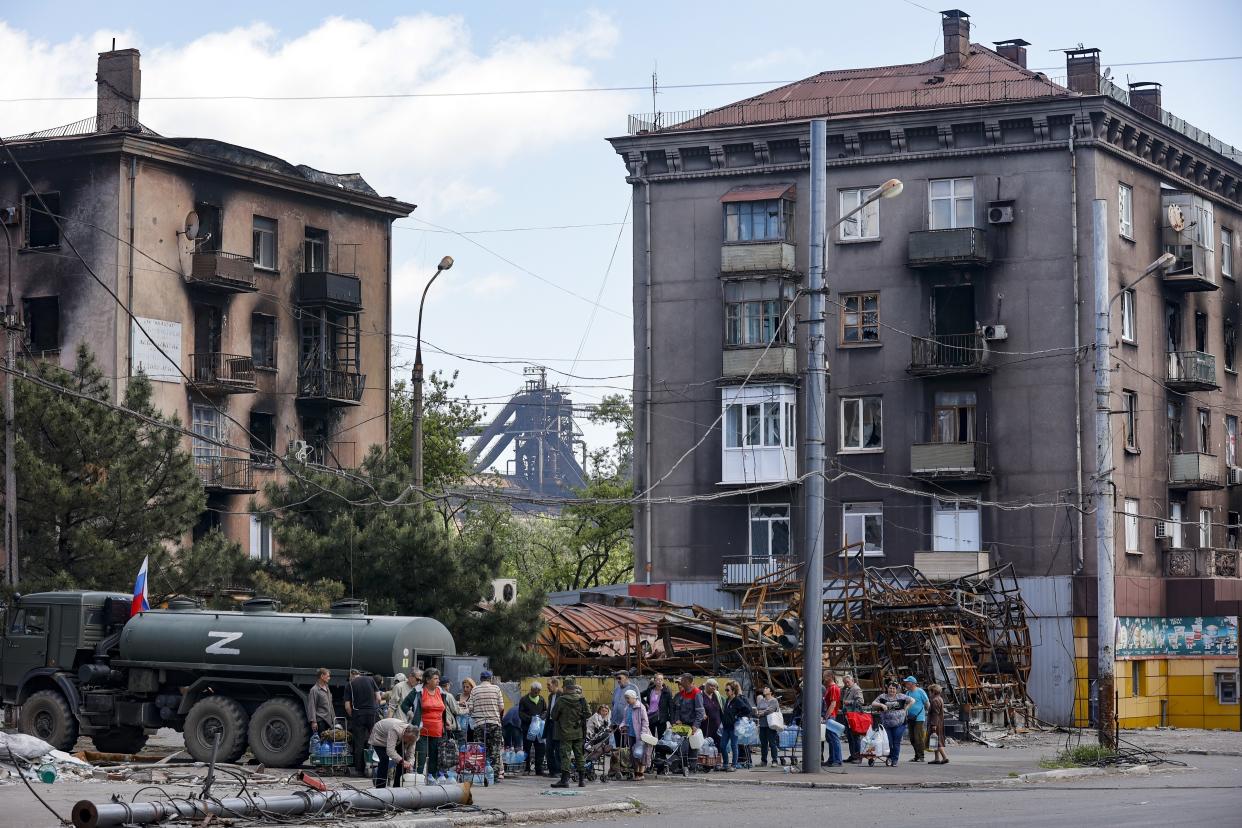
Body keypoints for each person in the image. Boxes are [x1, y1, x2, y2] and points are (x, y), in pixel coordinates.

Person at [401, 667, 451, 778]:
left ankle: (431, 777)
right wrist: (411, 714)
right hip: (421, 730)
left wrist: (445, 720)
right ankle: (418, 777)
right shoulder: (418, 691)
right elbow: (404, 705)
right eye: (435, 678)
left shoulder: (441, 692)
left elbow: (442, 709)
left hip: (438, 729)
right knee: (421, 755)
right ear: (427, 680)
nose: (438, 681)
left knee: (435, 755)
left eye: (438, 678)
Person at [549, 677, 590, 788]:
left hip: (565, 732)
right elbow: (588, 713)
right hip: (578, 732)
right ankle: (581, 780)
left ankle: (565, 780)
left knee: (565, 756)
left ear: (566, 688)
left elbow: (553, 715)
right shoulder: (581, 699)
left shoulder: (562, 700)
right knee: (579, 755)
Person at [468, 670, 506, 782]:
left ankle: (479, 775)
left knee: (479, 750)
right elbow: (501, 707)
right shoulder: (496, 689)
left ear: (480, 679)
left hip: (479, 724)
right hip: (494, 723)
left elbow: (470, 708)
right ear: (490, 679)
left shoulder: (475, 690)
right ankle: (493, 776)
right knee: (494, 750)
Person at [345, 669, 381, 778]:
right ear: (359, 674)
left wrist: (354, 715)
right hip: (371, 714)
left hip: (358, 715)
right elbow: (378, 697)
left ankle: (359, 770)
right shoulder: (370, 680)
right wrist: (374, 708)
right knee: (376, 741)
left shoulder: (350, 685)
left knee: (359, 742)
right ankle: (376, 767)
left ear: (352, 676)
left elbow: (347, 706)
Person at [871, 681, 913, 766]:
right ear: (887, 688)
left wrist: (906, 709)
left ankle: (895, 759)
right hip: (887, 723)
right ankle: (889, 757)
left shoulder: (901, 696)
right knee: (888, 741)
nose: (892, 690)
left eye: (894, 689)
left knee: (896, 741)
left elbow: (912, 700)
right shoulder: (883, 696)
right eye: (890, 688)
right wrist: (881, 705)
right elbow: (873, 703)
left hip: (900, 723)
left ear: (897, 689)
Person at [671, 673, 706, 773]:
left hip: (692, 725)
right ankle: (684, 766)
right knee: (683, 746)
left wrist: (695, 725)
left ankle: (692, 767)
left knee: (693, 746)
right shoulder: (683, 693)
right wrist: (677, 720)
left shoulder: (696, 693)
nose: (681, 682)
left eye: (683, 681)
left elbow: (700, 712)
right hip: (683, 725)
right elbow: (678, 708)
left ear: (688, 682)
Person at [368, 717, 417, 788]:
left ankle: (397, 786)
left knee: (403, 760)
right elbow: (390, 751)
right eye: (408, 739)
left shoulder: (413, 736)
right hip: (380, 737)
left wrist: (410, 764)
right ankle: (380, 787)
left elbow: (411, 754)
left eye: (411, 740)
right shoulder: (395, 729)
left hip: (396, 738)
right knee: (384, 760)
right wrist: (402, 761)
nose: (409, 742)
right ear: (405, 733)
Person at [719, 680, 752, 772]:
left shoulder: (737, 700)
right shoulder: (727, 700)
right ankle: (725, 764)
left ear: (733, 691)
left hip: (734, 727)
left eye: (727, 690)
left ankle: (734, 765)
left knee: (734, 746)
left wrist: (737, 716)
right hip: (726, 727)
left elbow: (747, 710)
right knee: (722, 746)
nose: (726, 692)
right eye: (725, 690)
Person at [518, 681, 548, 775]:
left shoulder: (542, 700)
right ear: (531, 690)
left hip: (539, 730)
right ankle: (527, 768)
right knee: (527, 748)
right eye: (535, 691)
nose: (537, 693)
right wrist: (531, 719)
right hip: (527, 729)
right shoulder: (524, 700)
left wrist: (541, 717)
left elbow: (545, 711)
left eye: (538, 691)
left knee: (540, 749)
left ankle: (539, 769)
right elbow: (521, 713)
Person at [621, 687, 651, 780]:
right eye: (626, 698)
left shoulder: (640, 707)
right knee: (633, 754)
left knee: (642, 753)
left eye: (628, 698)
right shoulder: (627, 708)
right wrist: (622, 725)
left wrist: (643, 733)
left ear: (634, 698)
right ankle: (636, 771)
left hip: (641, 734)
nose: (627, 700)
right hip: (631, 734)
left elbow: (645, 721)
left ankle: (641, 773)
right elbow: (624, 720)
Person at [902, 675, 930, 763]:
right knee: (912, 738)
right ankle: (917, 755)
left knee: (918, 737)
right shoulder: (907, 693)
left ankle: (921, 756)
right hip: (910, 718)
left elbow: (927, 703)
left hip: (919, 717)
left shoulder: (920, 691)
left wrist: (929, 714)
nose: (906, 684)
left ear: (913, 684)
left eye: (907, 683)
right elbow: (905, 704)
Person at [840, 672, 866, 763]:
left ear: (852, 681)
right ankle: (853, 755)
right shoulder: (848, 689)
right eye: (844, 682)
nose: (846, 684)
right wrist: (844, 688)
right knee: (850, 737)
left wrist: (849, 702)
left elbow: (861, 701)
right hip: (848, 716)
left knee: (855, 736)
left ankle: (858, 757)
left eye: (847, 682)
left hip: (854, 716)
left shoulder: (856, 689)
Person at [753, 686, 781, 767]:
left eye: (766, 688)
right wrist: (758, 713)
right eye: (764, 688)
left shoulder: (774, 700)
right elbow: (758, 709)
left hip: (771, 725)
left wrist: (762, 713)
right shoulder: (761, 700)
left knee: (772, 743)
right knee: (763, 744)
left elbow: (771, 710)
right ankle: (763, 761)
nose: (764, 689)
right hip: (762, 724)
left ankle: (774, 761)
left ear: (771, 691)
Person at [640, 673, 673, 737]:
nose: (660, 681)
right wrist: (645, 703)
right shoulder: (650, 690)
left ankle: (658, 747)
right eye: (658, 679)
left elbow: (671, 707)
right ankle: (651, 747)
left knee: (661, 738)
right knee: (650, 737)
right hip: (650, 717)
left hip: (661, 718)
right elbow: (639, 695)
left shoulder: (667, 692)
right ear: (654, 681)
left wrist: (671, 721)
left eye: (661, 679)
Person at [822, 671, 843, 767]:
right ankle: (832, 759)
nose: (823, 679)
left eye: (824, 677)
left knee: (834, 738)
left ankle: (837, 760)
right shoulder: (830, 688)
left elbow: (833, 704)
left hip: (831, 715)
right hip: (830, 715)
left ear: (830, 677)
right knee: (831, 738)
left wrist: (826, 717)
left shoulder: (833, 688)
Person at [586, 704, 612, 779]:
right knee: (606, 734)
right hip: (591, 736)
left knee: (607, 735)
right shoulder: (595, 716)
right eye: (603, 711)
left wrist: (609, 728)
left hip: (597, 736)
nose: (605, 713)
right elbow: (599, 727)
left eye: (606, 711)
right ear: (599, 710)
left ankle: (603, 747)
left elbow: (607, 727)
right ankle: (603, 747)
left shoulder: (607, 718)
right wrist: (607, 729)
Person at [307, 667, 334, 736]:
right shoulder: (314, 690)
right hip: (321, 721)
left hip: (329, 721)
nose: (329, 678)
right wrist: (313, 722)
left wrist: (334, 720)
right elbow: (312, 706)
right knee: (322, 743)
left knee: (328, 744)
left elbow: (330, 705)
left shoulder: (327, 688)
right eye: (328, 676)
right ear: (322, 676)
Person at [545, 677, 563, 778]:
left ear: (555, 684)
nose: (547, 687)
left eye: (549, 685)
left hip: (558, 726)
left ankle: (559, 770)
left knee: (558, 749)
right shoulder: (551, 696)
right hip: (550, 724)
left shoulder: (562, 695)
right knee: (548, 749)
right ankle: (552, 771)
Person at [927, 684, 949, 765]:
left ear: (933, 692)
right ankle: (937, 758)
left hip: (936, 723)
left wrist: (934, 726)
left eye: (930, 691)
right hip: (938, 722)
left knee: (937, 740)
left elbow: (935, 714)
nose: (929, 693)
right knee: (935, 740)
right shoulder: (939, 699)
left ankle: (944, 757)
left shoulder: (935, 700)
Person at [700, 679, 723, 747]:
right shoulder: (701, 695)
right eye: (711, 686)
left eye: (715, 686)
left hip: (717, 726)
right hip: (706, 726)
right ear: (706, 686)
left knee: (718, 745)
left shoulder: (717, 694)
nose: (713, 688)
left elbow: (721, 708)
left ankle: (718, 756)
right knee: (707, 745)